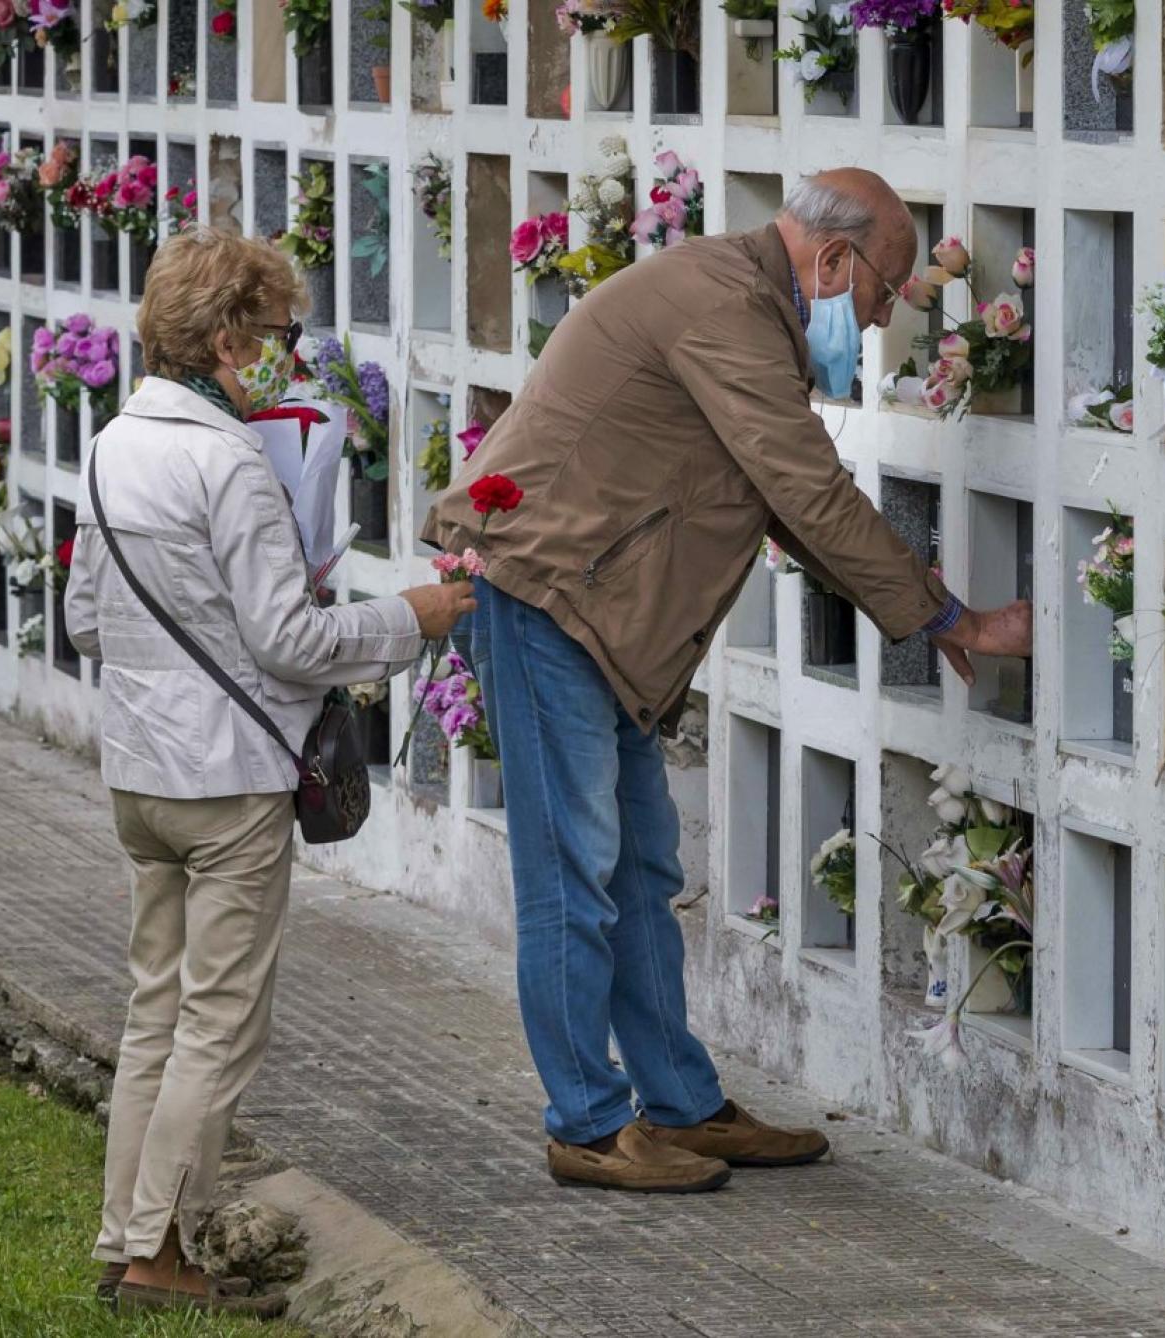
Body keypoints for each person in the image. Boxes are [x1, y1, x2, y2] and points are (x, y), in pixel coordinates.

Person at [422, 168, 1033, 1193]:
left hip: (601, 618)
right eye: (881, 296)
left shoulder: (742, 303)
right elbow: (802, 480)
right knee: (575, 881)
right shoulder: (723, 305)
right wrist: (949, 618)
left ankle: (681, 1106)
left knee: (640, 876)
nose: (879, 323)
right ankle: (586, 1123)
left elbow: (777, 496)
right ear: (835, 262)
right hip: (547, 605)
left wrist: (912, 602)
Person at [64, 229, 475, 1315]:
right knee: (217, 1024)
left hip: (139, 775)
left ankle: (127, 1239)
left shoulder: (111, 445)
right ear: (231, 336)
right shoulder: (231, 461)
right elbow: (291, 642)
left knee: (155, 1011)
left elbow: (80, 619)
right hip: (230, 781)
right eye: (280, 333)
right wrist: (410, 618)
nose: (288, 355)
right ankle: (159, 1257)